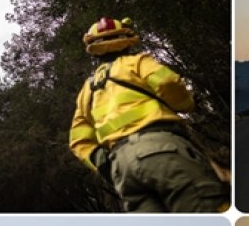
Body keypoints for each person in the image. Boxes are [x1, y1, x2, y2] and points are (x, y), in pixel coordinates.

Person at [69, 16, 228, 213]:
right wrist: (187, 105)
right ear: (127, 40)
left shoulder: (87, 90)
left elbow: (78, 140)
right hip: (162, 149)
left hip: (122, 169)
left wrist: (106, 166)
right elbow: (167, 83)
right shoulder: (137, 62)